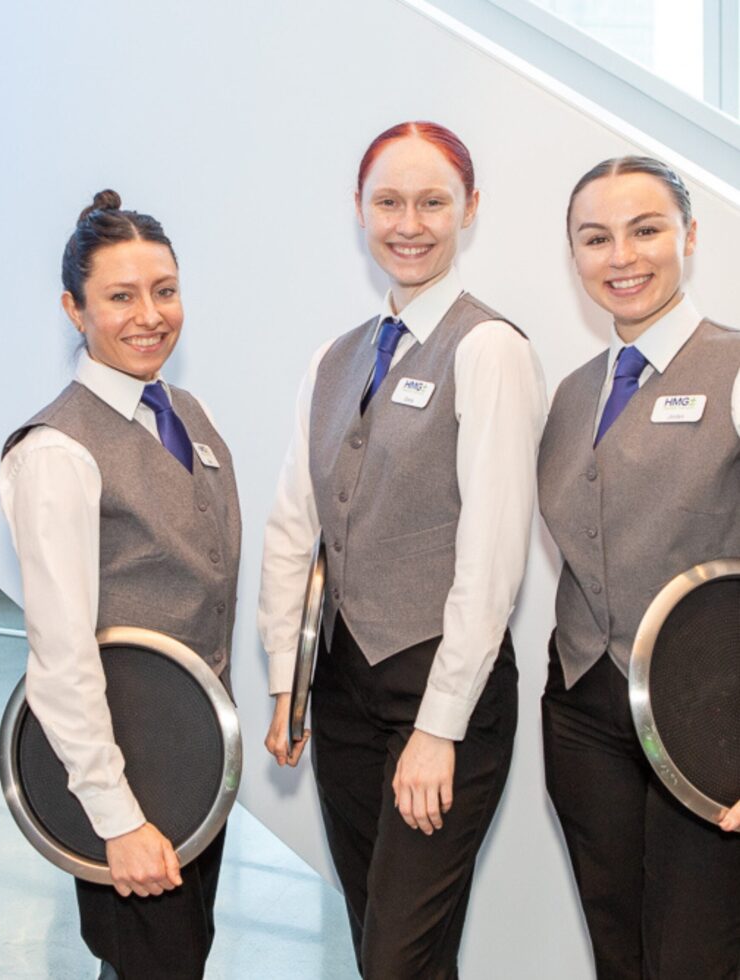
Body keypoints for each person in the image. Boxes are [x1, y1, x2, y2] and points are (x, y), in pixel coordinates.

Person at [258, 121, 547, 978]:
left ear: (469, 212)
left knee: (398, 958)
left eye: (432, 202)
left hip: (442, 690)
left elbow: (493, 555)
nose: (409, 222)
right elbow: (292, 525)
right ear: (359, 210)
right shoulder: (332, 359)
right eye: (388, 202)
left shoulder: (490, 348)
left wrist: (439, 725)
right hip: (344, 690)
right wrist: (288, 680)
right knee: (380, 940)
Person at [0, 190, 241, 980]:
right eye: (120, 296)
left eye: (164, 291)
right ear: (74, 308)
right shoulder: (57, 451)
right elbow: (60, 654)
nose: (150, 315)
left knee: (175, 963)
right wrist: (116, 816)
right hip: (128, 778)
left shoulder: (187, 414)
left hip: (193, 762)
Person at [539, 155, 740, 979]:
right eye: (596, 238)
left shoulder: (732, 367)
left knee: (697, 957)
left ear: (689, 237)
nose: (622, 256)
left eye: (646, 229)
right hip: (585, 712)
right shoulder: (572, 392)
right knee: (617, 948)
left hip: (713, 717)